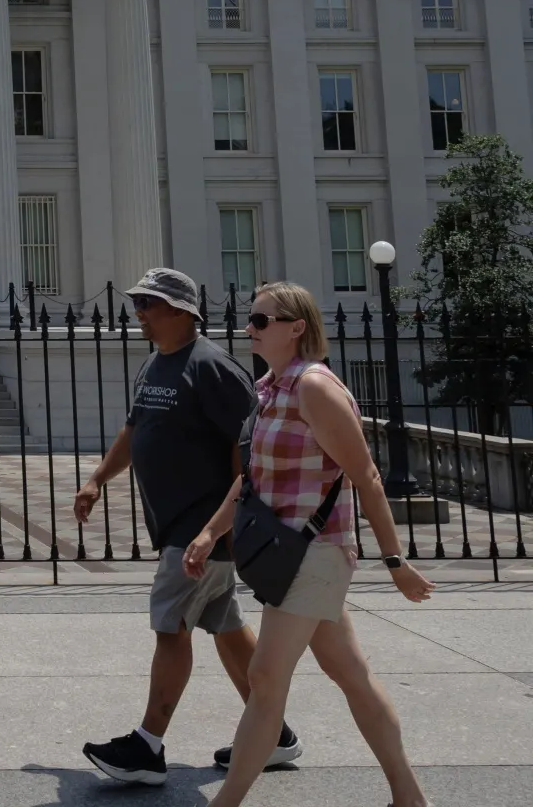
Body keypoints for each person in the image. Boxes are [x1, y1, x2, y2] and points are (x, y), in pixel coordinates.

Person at [184, 283, 435, 807]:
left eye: (260, 319)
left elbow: (365, 475)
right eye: (250, 319)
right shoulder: (270, 387)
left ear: (296, 327)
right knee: (351, 673)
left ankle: (224, 803)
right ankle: (408, 796)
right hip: (287, 552)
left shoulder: (315, 388)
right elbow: (251, 475)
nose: (249, 327)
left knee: (265, 675)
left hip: (315, 550)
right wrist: (211, 530)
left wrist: (395, 562)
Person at [74, 268, 302, 786]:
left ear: (182, 310)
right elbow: (137, 427)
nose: (139, 313)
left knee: (170, 625)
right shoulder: (157, 363)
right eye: (139, 304)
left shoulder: (212, 367)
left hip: (201, 528)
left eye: (149, 304)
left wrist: (220, 525)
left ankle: (147, 747)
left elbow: (248, 450)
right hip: (182, 525)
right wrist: (98, 478)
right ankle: (276, 736)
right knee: (224, 625)